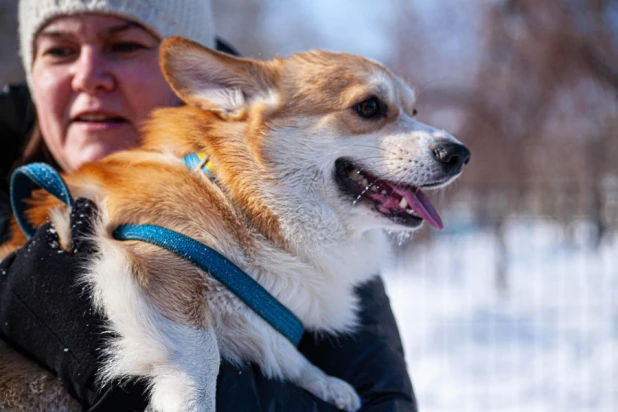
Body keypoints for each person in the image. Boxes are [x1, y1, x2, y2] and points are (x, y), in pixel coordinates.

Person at [0, 0, 418, 410]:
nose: (88, 77)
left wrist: (215, 390)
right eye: (60, 50)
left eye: (124, 46)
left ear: (202, 83)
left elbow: (383, 402)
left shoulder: (324, 223)